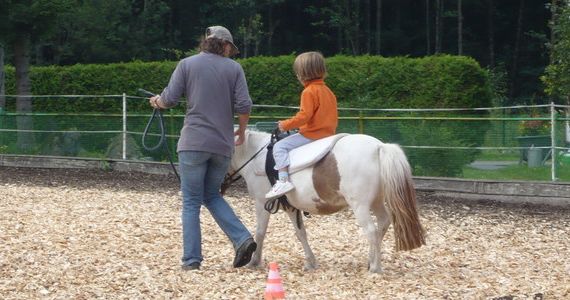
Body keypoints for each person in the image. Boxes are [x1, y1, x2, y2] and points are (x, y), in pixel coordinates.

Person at [148, 25, 257, 271]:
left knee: (191, 202)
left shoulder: (187, 64)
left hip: (193, 143)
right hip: (222, 145)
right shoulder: (235, 68)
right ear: (225, 45)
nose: (232, 52)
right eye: (231, 48)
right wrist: (240, 130)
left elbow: (169, 99)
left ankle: (192, 260)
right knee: (211, 195)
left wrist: (156, 101)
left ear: (206, 42)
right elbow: (244, 105)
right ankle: (242, 239)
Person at [265, 51, 338, 199]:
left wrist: (285, 125)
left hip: (312, 134)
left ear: (302, 73)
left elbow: (304, 116)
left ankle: (283, 180)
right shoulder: (328, 91)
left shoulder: (308, 91)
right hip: (329, 134)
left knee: (280, 147)